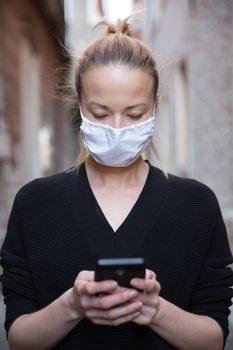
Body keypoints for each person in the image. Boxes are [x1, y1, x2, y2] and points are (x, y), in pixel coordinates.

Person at [1, 15, 233, 350]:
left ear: (154, 107)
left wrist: (154, 309)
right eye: (100, 113)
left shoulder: (197, 206)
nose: (118, 128)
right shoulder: (35, 204)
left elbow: (213, 339)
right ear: (79, 105)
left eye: (135, 114)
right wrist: (73, 305)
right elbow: (19, 339)